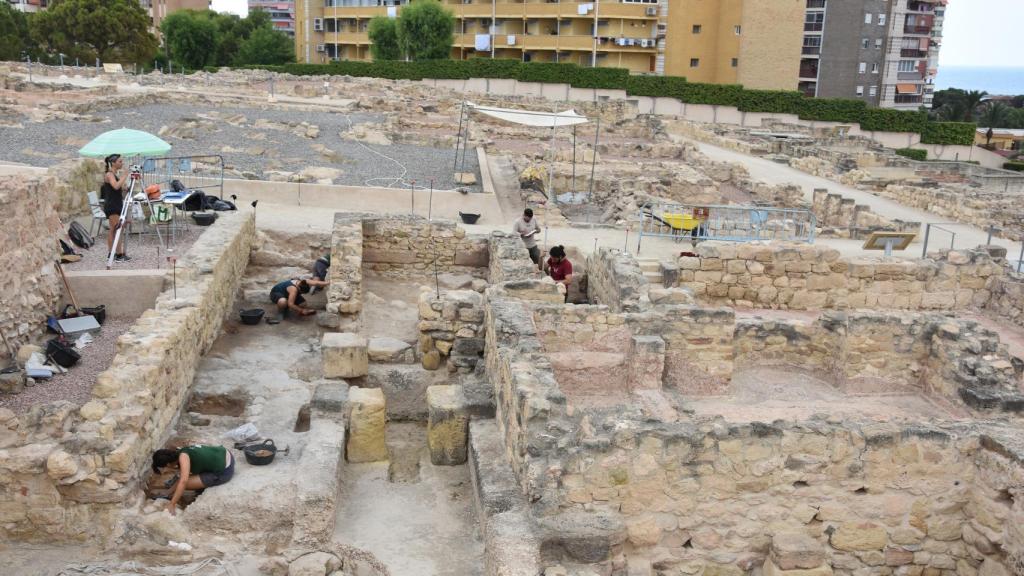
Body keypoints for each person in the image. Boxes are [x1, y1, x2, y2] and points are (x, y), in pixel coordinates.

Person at [152, 444, 234, 516]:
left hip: (225, 470)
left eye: (164, 468)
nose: (165, 470)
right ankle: (167, 493)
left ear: (168, 464)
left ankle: (170, 496)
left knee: (184, 482)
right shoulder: (180, 452)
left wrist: (172, 504)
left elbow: (183, 482)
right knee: (182, 477)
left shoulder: (183, 458)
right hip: (223, 453)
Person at [101, 154, 132, 261]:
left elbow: (118, 188)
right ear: (113, 163)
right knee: (117, 228)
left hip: (116, 204)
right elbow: (115, 186)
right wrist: (125, 176)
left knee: (114, 229)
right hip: (112, 205)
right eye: (120, 161)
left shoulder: (114, 174)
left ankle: (113, 253)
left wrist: (125, 187)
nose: (122, 163)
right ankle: (118, 254)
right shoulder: (109, 174)